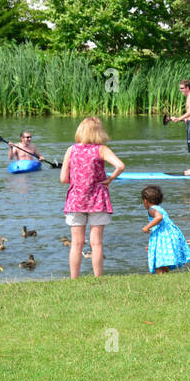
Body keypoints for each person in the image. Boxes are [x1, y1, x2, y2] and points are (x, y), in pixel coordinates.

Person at [59, 116, 124, 278]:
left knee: (76, 243)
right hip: (97, 200)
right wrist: (109, 179)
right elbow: (120, 166)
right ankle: (98, 277)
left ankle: (74, 278)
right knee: (96, 243)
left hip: (76, 201)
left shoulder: (71, 150)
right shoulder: (101, 149)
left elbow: (63, 179)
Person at [140, 185, 190, 273]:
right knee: (164, 263)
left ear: (145, 200)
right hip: (170, 235)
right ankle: (165, 277)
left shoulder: (151, 209)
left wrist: (146, 227)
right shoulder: (160, 208)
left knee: (159, 262)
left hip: (163, 236)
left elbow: (159, 217)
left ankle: (159, 279)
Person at [169, 80, 190, 175]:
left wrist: (179, 118)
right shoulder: (189, 97)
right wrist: (182, 119)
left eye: (182, 88)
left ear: (187, 88)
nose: (180, 90)